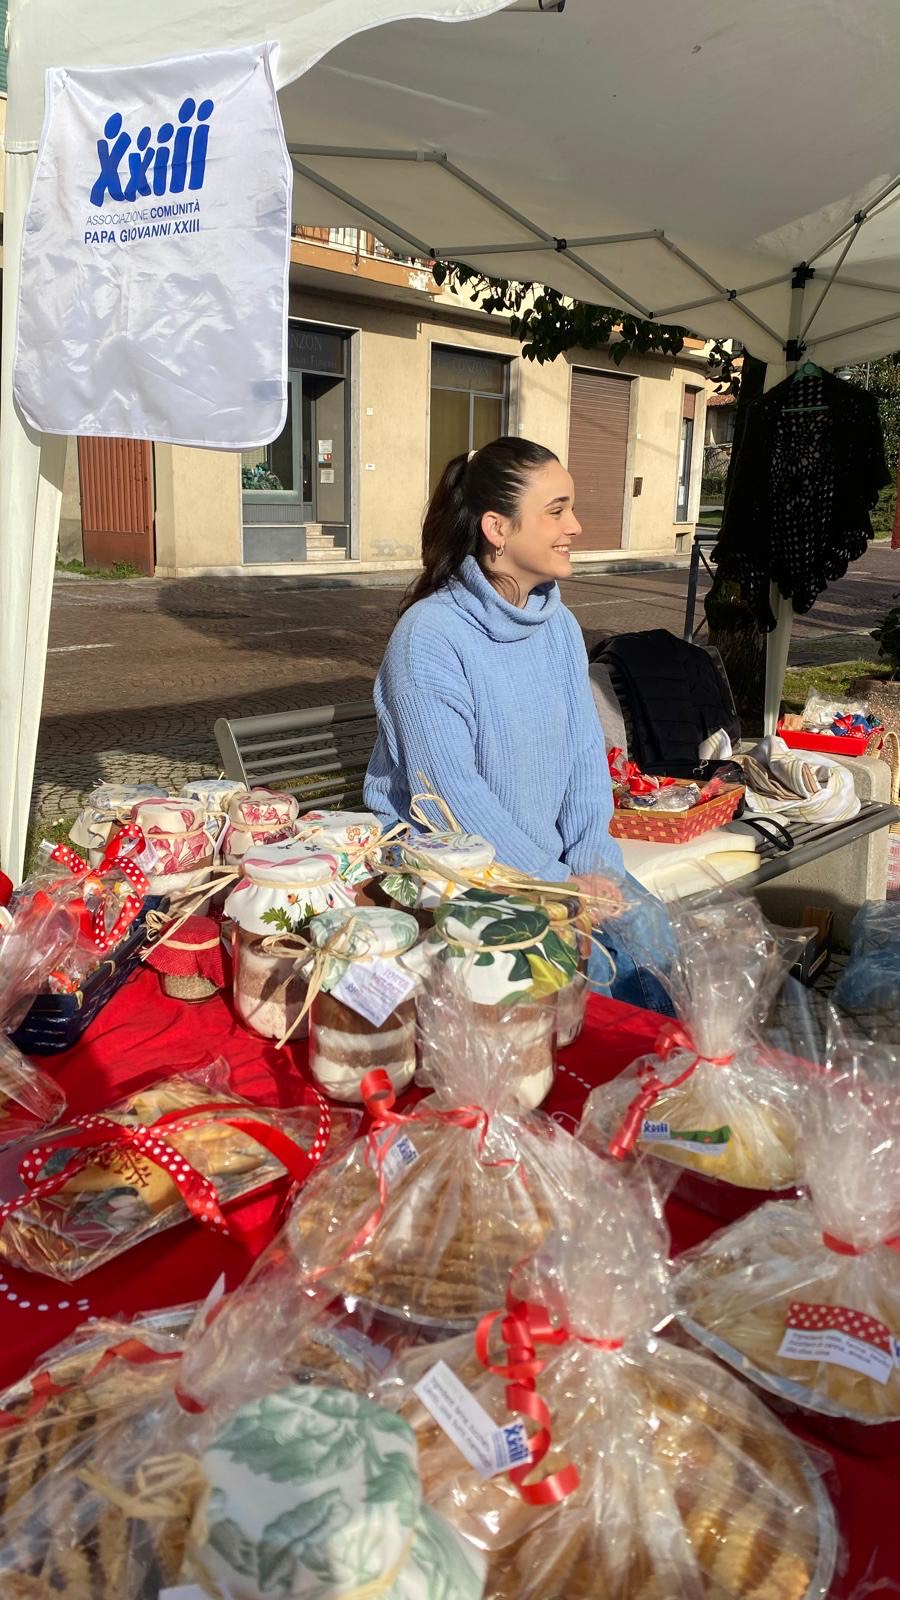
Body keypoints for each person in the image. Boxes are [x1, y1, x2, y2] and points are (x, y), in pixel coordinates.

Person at [364, 436, 674, 1013]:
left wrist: (594, 864)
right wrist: (551, 886)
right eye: (557, 511)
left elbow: (584, 755)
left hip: (550, 870)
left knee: (655, 939)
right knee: (597, 981)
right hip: (460, 873)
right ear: (497, 529)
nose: (575, 526)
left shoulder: (557, 625)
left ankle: (658, 1070)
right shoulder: (429, 637)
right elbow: (448, 798)